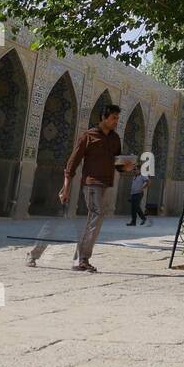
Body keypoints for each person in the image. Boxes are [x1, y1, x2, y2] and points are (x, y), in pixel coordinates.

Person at [27, 105, 132, 273]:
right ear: (104, 118)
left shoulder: (115, 139)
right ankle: (81, 259)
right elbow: (73, 162)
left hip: (106, 184)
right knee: (92, 217)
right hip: (92, 183)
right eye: (114, 118)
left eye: (117, 118)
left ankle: (77, 259)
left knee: (93, 220)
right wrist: (66, 187)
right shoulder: (89, 136)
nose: (116, 122)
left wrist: (127, 167)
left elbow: (117, 163)